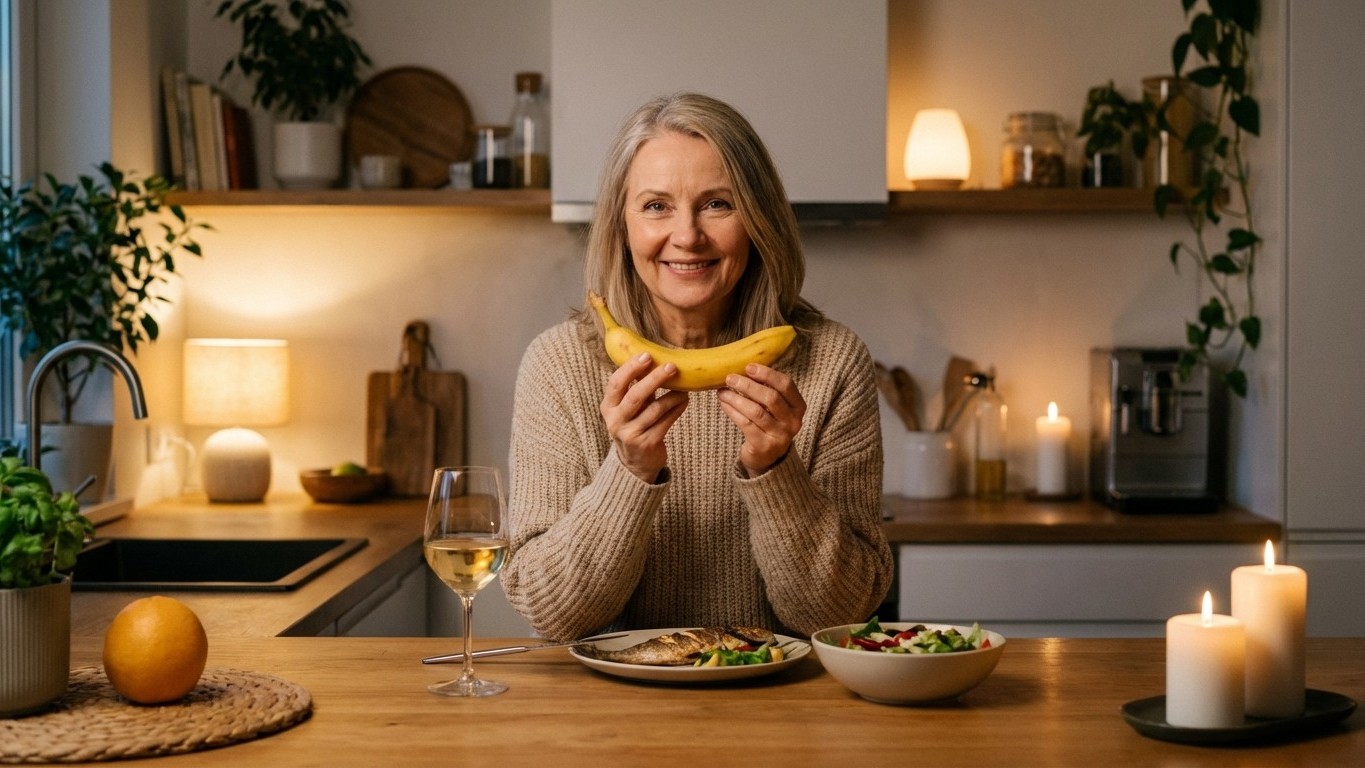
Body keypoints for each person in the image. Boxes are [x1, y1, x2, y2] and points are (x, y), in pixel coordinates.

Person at [501, 93, 893, 642]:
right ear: (622, 226)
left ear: (759, 220)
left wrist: (776, 471)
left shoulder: (831, 361)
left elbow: (840, 616)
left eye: (717, 204)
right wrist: (629, 471)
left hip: (782, 705)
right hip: (609, 713)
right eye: (656, 206)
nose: (687, 236)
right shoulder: (558, 365)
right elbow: (551, 614)